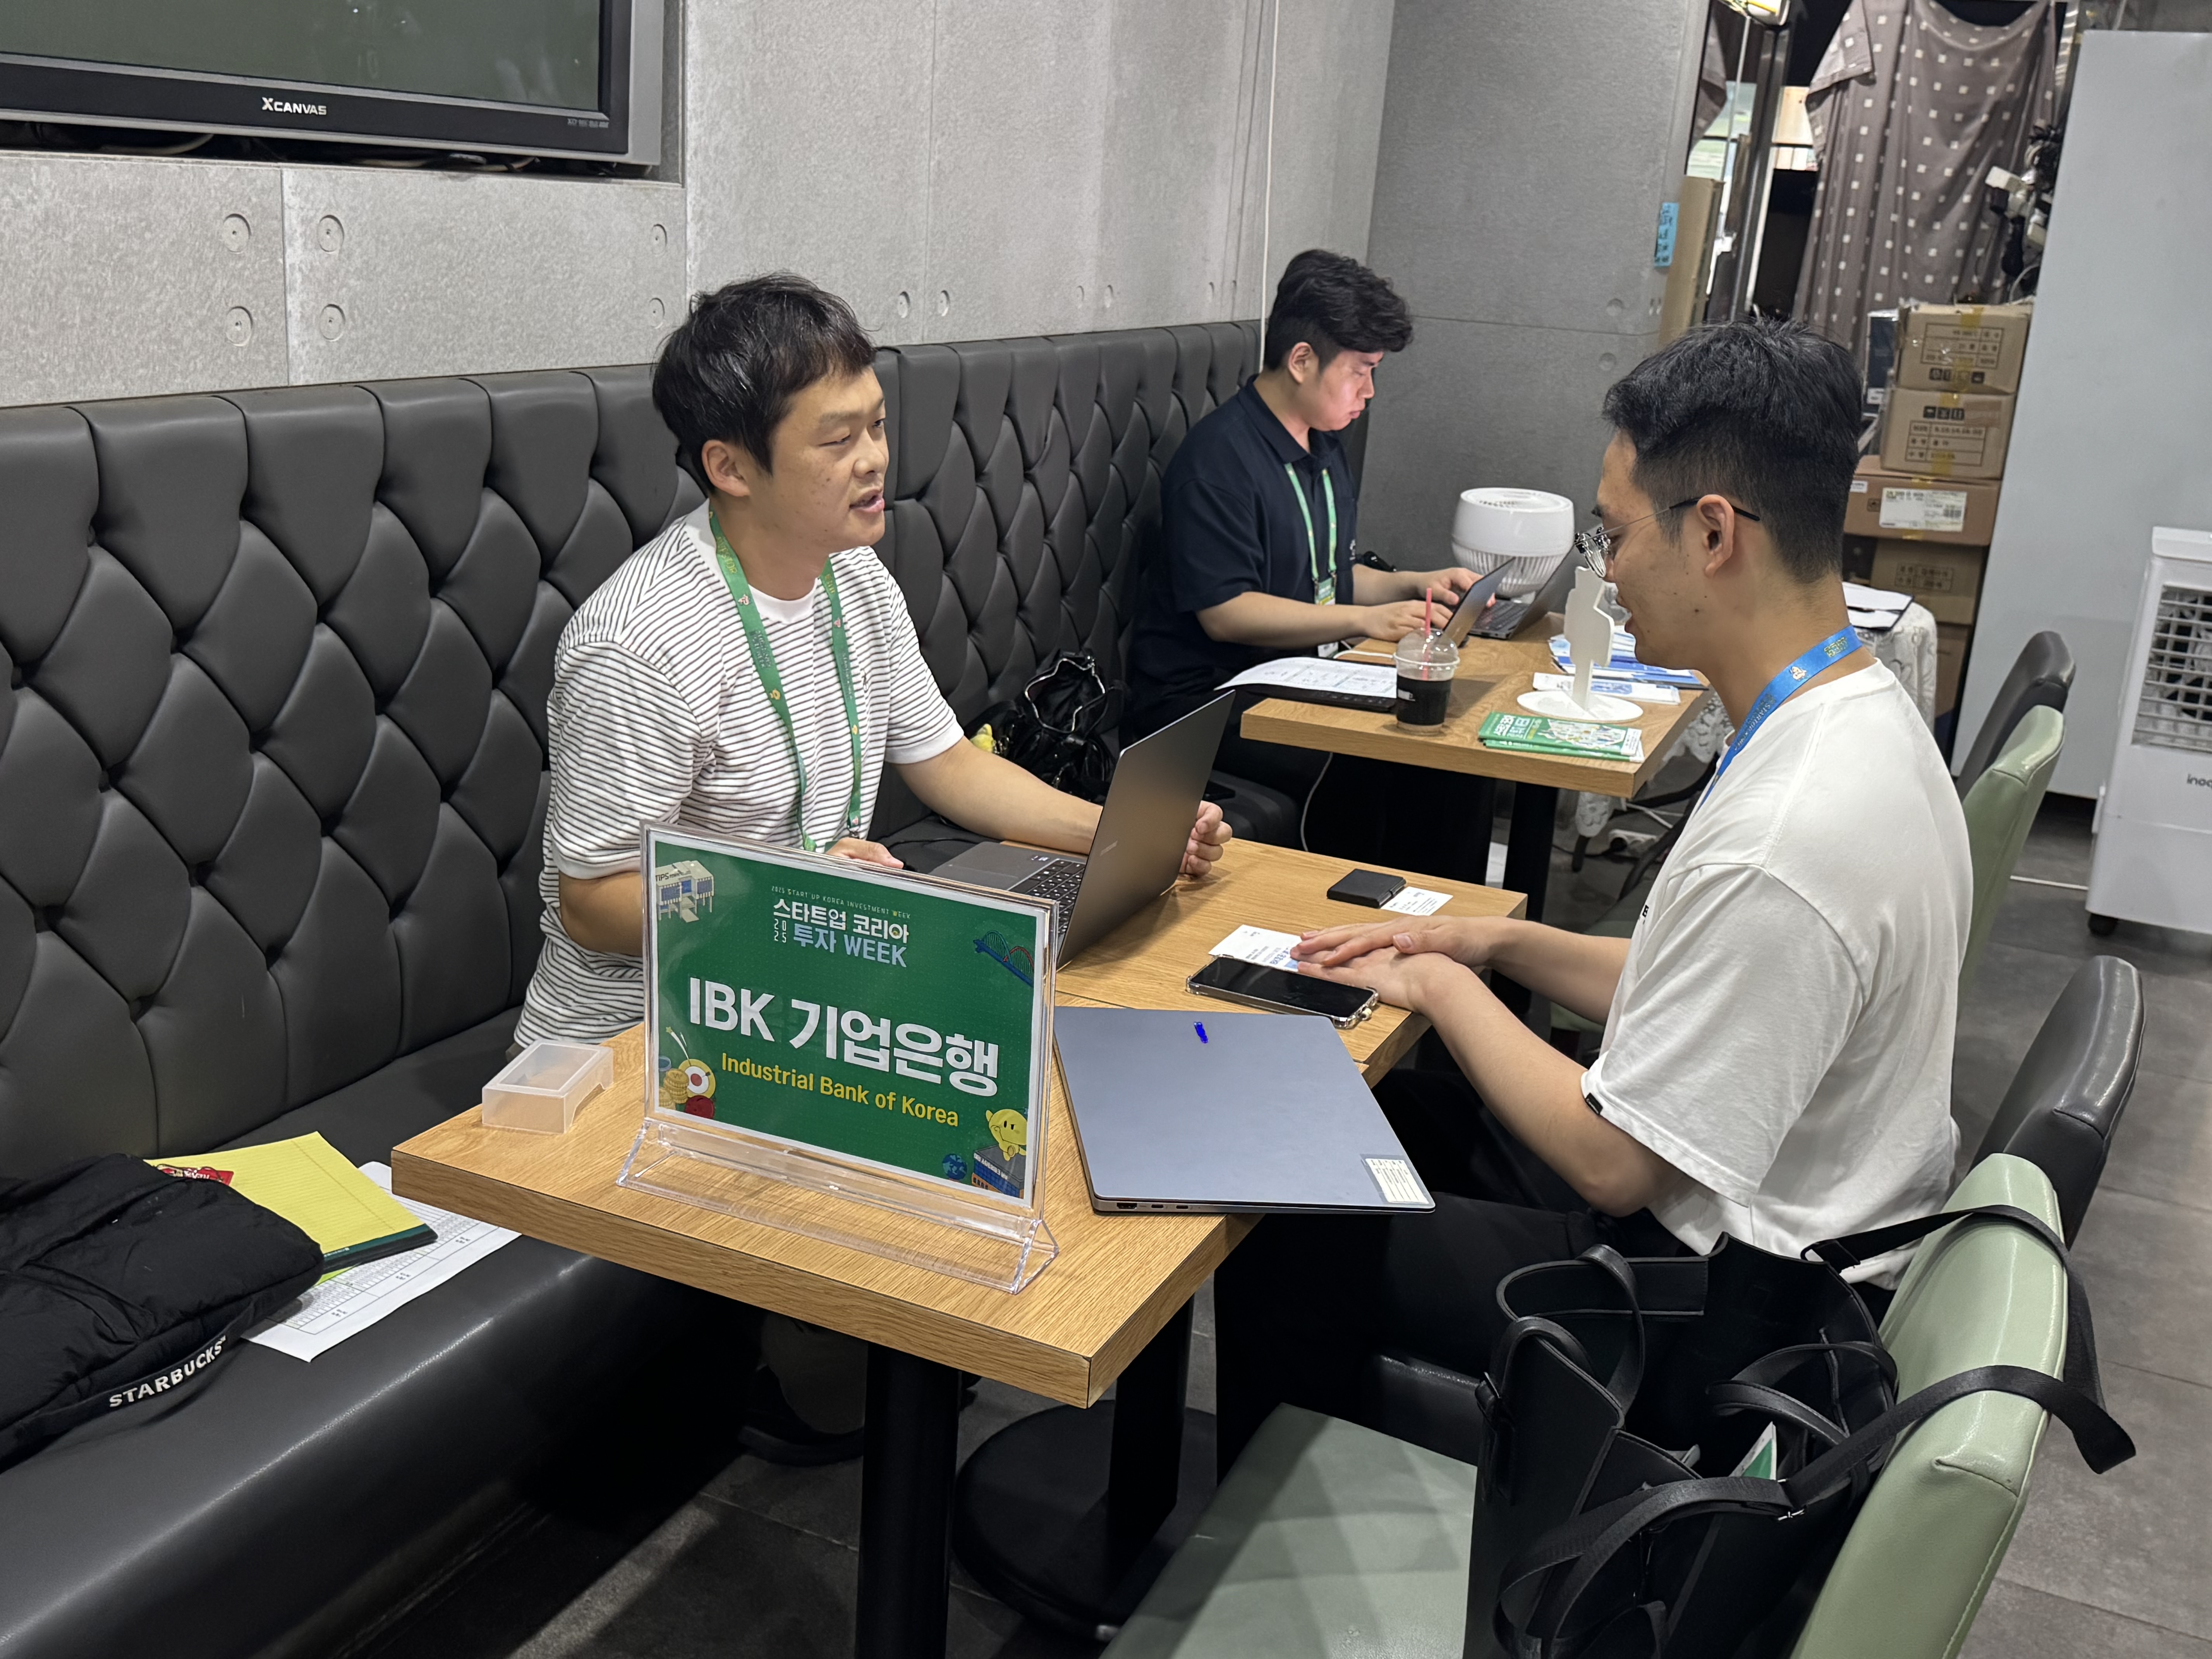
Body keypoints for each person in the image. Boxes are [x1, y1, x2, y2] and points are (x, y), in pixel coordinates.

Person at [1214, 316, 1972, 1467]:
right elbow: (1694, 984)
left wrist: (1440, 984)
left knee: (1280, 1219)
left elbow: (1615, 1165)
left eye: (1614, 535)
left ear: (1713, 533)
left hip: (1725, 1305)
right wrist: (1491, 943)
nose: (1604, 572)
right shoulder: (1861, 718)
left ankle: (1277, 1531)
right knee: (1369, 1113)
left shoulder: (1789, 833)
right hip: (1744, 1210)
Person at [514, 273, 1232, 1458]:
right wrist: (796, 897)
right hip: (642, 1047)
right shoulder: (638, 644)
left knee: (1054, 1071)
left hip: (800, 994)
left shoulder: (853, 581)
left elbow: (949, 763)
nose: (875, 461)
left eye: (879, 425)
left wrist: (1117, 834)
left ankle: (918, 1373)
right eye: (837, 438)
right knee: (1001, 1101)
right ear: (731, 466)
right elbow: (591, 904)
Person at [1124, 249, 1476, 800]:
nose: (1370, 391)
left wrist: (1414, 584)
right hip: (1205, 702)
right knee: (1391, 761)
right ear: (1303, 361)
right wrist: (1365, 620)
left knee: (1447, 739)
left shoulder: (1323, 443)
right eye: (1360, 371)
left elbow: (1328, 575)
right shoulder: (1218, 461)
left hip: (1294, 672)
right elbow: (1228, 613)